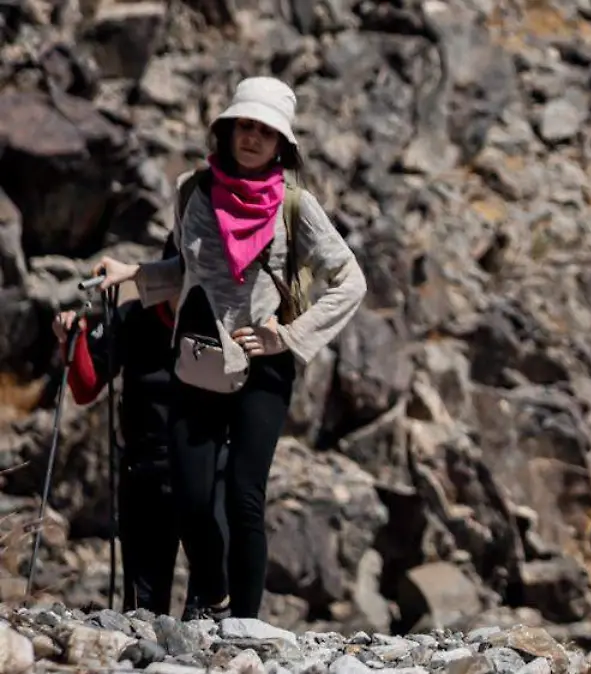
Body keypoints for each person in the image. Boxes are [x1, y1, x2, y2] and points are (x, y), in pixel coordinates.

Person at [92, 76, 368, 620]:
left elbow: (350, 280)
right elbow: (194, 273)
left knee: (244, 498)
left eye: (266, 131)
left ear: (281, 145)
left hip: (264, 369)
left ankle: (245, 626)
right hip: (196, 361)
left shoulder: (297, 206)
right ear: (227, 129)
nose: (253, 138)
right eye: (246, 125)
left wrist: (287, 337)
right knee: (194, 502)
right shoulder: (192, 192)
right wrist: (136, 273)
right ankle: (214, 592)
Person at [51, 241, 208, 615]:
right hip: (144, 471)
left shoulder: (214, 320)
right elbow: (88, 388)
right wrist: (72, 342)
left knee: (206, 603)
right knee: (143, 606)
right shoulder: (132, 318)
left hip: (202, 472)